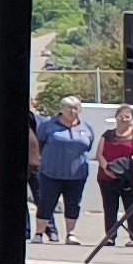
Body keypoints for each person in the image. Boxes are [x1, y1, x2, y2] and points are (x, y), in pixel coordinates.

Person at [32, 103, 92, 242]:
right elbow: (39, 142)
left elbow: (88, 146)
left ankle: (70, 234)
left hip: (77, 175)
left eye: (75, 108)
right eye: (68, 108)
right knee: (46, 203)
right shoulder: (48, 125)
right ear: (61, 109)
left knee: (73, 204)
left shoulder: (86, 127)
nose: (72, 111)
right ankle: (39, 234)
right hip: (51, 173)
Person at [95, 107, 133, 249]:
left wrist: (118, 168)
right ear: (116, 117)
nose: (123, 119)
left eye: (127, 116)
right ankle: (110, 236)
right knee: (110, 208)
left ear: (132, 119)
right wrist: (107, 168)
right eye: (121, 116)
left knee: (131, 208)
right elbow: (99, 154)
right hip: (107, 178)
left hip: (129, 178)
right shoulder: (108, 134)